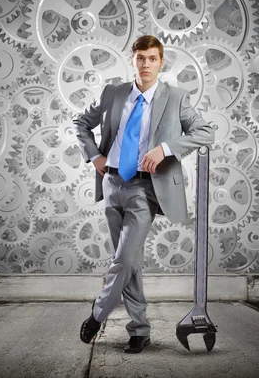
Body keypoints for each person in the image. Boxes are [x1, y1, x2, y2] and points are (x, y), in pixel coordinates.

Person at [72, 35, 215, 353]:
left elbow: (205, 131)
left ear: (161, 62)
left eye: (152, 58)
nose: (146, 64)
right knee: (129, 262)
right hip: (111, 184)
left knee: (123, 258)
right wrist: (94, 155)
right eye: (141, 58)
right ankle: (140, 330)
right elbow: (81, 122)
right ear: (132, 59)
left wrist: (165, 149)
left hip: (144, 189)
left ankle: (98, 314)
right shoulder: (113, 92)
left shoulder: (176, 97)